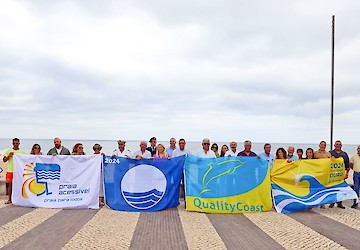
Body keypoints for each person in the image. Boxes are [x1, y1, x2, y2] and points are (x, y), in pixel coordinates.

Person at [3, 138, 26, 204]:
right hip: (10, 170)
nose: (15, 145)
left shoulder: (22, 152)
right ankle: (9, 199)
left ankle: (20, 199)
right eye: (14, 143)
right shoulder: (9, 151)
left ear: (19, 143)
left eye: (17, 143)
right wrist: (9, 156)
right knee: (10, 185)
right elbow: (4, 160)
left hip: (18, 171)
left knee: (20, 185)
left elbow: (25, 160)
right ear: (12, 143)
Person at [329, 140, 350, 209]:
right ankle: (332, 202)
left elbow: (347, 165)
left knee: (340, 189)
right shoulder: (330, 153)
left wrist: (347, 173)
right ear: (334, 145)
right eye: (337, 144)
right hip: (332, 175)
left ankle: (339, 203)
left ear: (341, 145)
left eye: (339, 144)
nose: (338, 145)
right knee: (332, 189)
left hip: (341, 175)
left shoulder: (344, 154)